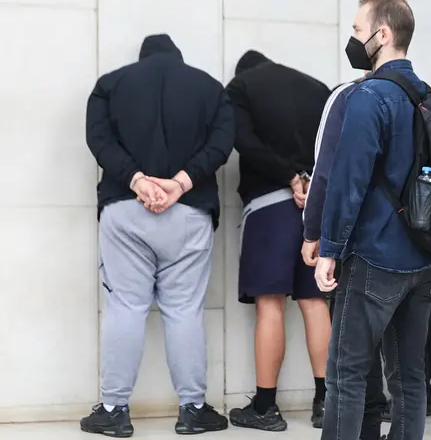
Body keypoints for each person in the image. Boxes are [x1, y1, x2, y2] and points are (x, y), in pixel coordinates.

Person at [81, 34, 233, 437]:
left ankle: (113, 410)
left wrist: (137, 180)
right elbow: (223, 143)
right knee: (184, 310)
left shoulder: (111, 84)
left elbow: (98, 139)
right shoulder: (210, 88)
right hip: (189, 212)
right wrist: (181, 183)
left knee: (126, 307)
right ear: (177, 58)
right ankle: (193, 409)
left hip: (125, 209)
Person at [314, 0, 431, 440]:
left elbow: (346, 180)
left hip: (375, 257)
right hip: (425, 256)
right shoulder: (430, 98)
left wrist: (329, 249)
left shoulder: (368, 96)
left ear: (382, 35)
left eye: (357, 30)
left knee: (346, 375)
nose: (353, 38)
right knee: (409, 378)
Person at [226, 50, 332, 432]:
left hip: (269, 207)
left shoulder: (241, 86)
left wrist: (288, 176)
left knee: (270, 304)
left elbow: (243, 141)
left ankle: (265, 408)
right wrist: (311, 181)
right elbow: (333, 147)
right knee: (315, 302)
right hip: (315, 210)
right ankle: (326, 403)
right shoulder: (317, 88)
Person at [302, 75, 388, 440]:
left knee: (349, 366)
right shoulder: (419, 96)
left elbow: (326, 173)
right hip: (412, 247)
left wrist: (315, 234)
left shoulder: (349, 95)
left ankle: (364, 431)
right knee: (408, 375)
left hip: (359, 244)